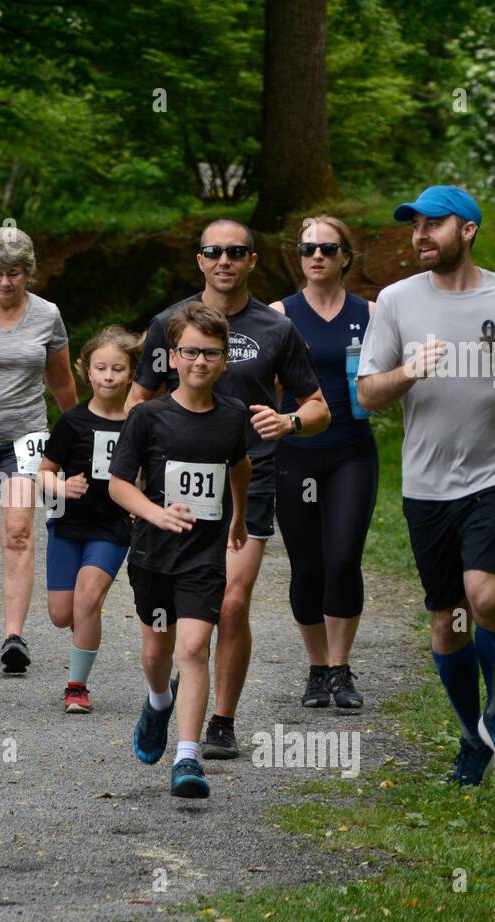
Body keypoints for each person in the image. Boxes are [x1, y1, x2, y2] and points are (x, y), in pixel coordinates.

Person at [357, 185, 495, 785]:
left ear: (469, 229)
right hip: (427, 482)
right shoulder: (395, 301)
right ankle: (470, 734)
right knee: (448, 619)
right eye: (414, 226)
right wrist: (408, 372)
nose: (420, 235)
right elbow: (368, 393)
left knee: (486, 597)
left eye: (434, 224)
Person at [126, 219, 330, 761]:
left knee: (232, 603)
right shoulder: (169, 324)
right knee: (164, 618)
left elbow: (319, 408)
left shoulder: (277, 329)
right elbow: (137, 400)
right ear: (199, 260)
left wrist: (289, 424)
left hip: (249, 476)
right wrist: (138, 474)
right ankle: (164, 697)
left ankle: (220, 720)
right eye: (213, 251)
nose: (224, 260)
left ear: (252, 260)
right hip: (171, 489)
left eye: (236, 251)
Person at [109, 303, 251, 799]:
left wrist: (238, 514)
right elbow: (119, 485)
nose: (200, 362)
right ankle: (157, 698)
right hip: (153, 556)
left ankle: (187, 758)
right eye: (190, 352)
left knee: (193, 649)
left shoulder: (233, 417)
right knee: (157, 651)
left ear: (225, 360)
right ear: (172, 357)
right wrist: (155, 513)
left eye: (211, 354)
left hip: (202, 558)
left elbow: (239, 465)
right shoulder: (147, 417)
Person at [270, 215, 378, 710]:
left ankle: (341, 666)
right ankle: (315, 668)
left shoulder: (371, 313)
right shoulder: (278, 315)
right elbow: (264, 389)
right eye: (307, 249)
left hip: (351, 450)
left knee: (342, 558)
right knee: (307, 565)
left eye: (327, 249)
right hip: (294, 451)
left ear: (345, 257)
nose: (316, 257)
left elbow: (384, 382)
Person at [0, 226, 75, 673]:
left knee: (19, 533)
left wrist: (78, 434)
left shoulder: (47, 315)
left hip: (25, 438)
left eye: (13, 274)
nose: (5, 283)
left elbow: (61, 380)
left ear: (28, 273)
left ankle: (14, 636)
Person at [38, 326, 135, 713]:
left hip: (112, 526)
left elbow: (151, 471)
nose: (109, 376)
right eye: (101, 368)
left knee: (88, 598)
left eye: (118, 369)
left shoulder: (140, 421)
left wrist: (141, 500)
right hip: (68, 524)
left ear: (131, 374)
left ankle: (77, 687)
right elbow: (44, 471)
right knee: (62, 615)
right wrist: (61, 488)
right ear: (87, 373)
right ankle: (84, 632)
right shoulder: (72, 422)